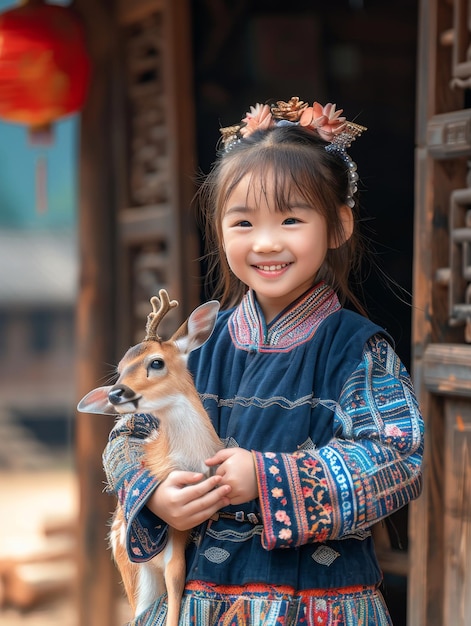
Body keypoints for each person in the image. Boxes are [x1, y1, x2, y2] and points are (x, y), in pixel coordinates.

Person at [103, 96, 424, 625]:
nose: (267, 242)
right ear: (219, 227)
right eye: (244, 222)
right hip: (198, 604)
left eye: (292, 219)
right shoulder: (196, 349)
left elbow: (398, 458)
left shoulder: (355, 349)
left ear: (338, 225)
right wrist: (154, 493)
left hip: (320, 605)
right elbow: (129, 434)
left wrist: (270, 477)